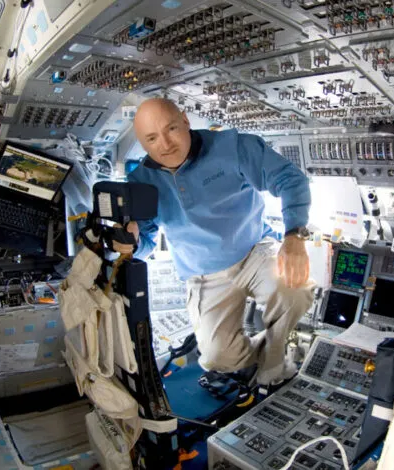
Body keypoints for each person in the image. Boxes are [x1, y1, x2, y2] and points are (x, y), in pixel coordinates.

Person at [121, 97, 314, 387]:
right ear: (142, 143)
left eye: (171, 129)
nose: (165, 144)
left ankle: (273, 365)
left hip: (254, 251)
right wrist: (132, 243)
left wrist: (294, 236)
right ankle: (266, 348)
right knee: (217, 359)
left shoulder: (233, 147)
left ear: (185, 120)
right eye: (152, 138)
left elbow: (290, 179)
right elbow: (146, 243)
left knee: (295, 290)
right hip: (204, 275)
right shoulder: (140, 182)